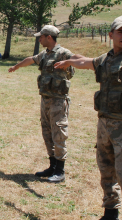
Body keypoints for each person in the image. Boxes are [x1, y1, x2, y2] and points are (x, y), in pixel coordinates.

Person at [54, 15, 122, 220]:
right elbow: (87, 62)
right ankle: (110, 212)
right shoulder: (106, 58)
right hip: (105, 125)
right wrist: (69, 61)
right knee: (106, 170)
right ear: (111, 35)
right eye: (120, 31)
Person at [8, 25, 82, 183]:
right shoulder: (45, 54)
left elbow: (77, 60)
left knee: (58, 133)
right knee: (47, 131)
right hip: (46, 99)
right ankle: (52, 166)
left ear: (49, 37)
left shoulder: (63, 53)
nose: (39, 39)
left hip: (58, 101)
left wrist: (68, 63)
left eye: (41, 37)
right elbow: (31, 59)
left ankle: (60, 171)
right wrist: (17, 66)